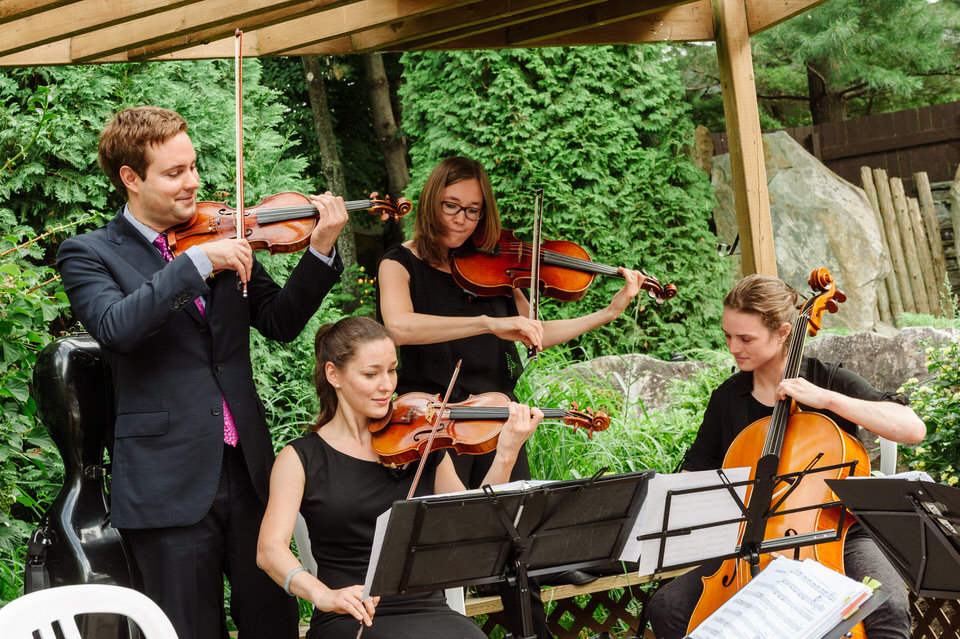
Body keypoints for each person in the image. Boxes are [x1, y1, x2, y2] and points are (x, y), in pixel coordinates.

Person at [56, 105, 349, 639]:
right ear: (130, 178)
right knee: (187, 628)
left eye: (193, 166)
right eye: (174, 173)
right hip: (167, 482)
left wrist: (321, 251)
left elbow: (279, 322)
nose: (193, 182)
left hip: (247, 470)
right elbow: (116, 328)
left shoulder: (222, 233)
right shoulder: (90, 253)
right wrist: (195, 265)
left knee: (273, 623)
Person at [376, 156, 649, 637]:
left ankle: (533, 615)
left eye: (474, 211)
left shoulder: (496, 270)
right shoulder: (399, 264)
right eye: (451, 207)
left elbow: (535, 332)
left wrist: (607, 312)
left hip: (499, 412)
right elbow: (399, 327)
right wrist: (487, 322)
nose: (462, 221)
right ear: (429, 201)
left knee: (515, 522)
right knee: (453, 528)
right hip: (435, 416)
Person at [646, 274, 927, 639]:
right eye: (728, 336)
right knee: (668, 609)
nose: (733, 347)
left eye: (746, 338)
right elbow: (694, 473)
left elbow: (911, 428)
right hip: (750, 540)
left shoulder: (827, 380)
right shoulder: (727, 398)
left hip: (838, 534)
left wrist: (826, 400)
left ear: (782, 333)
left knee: (885, 605)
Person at [257, 316, 543, 638]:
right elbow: (269, 550)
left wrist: (506, 452)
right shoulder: (300, 458)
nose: (387, 385)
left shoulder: (423, 442)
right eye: (371, 374)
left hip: (428, 611)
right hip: (350, 616)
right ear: (333, 374)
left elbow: (475, 525)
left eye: (392, 370)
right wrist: (322, 594)